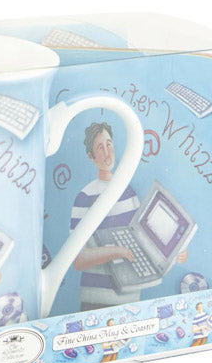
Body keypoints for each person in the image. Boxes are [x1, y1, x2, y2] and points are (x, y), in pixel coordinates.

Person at [71, 122, 187, 311]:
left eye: (109, 144)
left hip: (131, 300)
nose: (107, 153)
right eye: (100, 147)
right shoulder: (84, 197)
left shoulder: (128, 192)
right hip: (96, 300)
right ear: (91, 156)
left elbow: (143, 239)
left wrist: (174, 254)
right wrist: (116, 251)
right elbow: (78, 259)